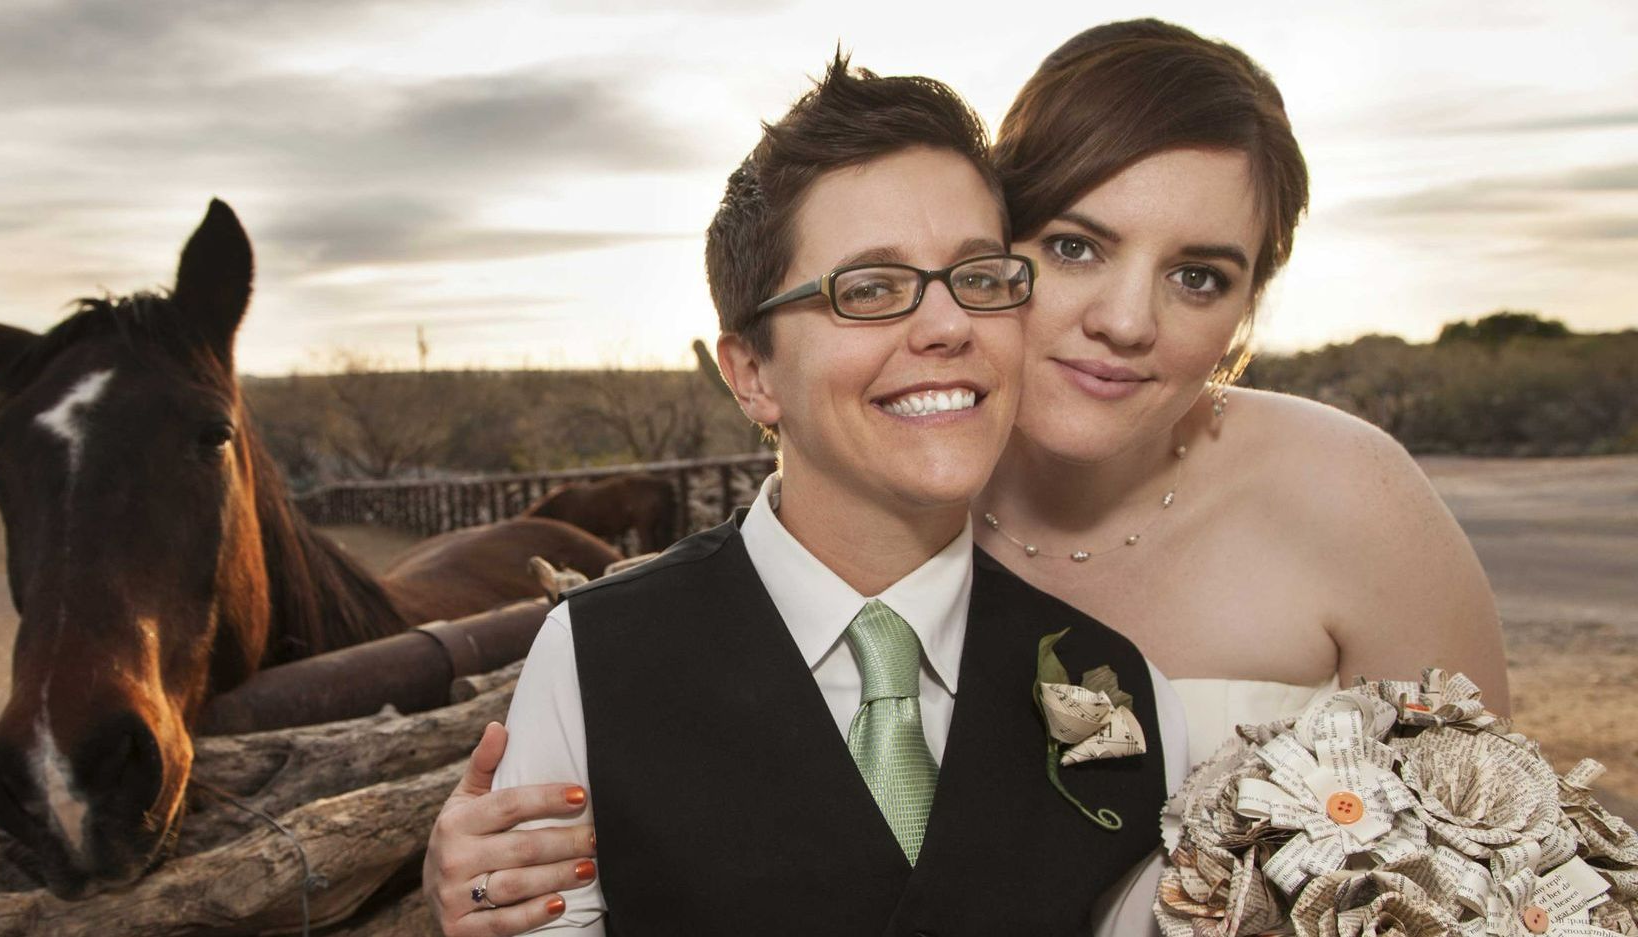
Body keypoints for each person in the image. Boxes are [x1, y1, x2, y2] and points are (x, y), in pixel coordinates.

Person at [422, 19, 1510, 937]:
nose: (1127, 320)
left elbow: (1493, 848)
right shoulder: (646, 633)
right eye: (1077, 247)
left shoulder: (1314, 522)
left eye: (1198, 274)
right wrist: (484, 885)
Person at [430, 53, 1184, 937]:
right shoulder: (595, 658)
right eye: (869, 289)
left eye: (980, 278)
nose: (948, 326)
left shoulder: (1124, 691)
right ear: (752, 375)